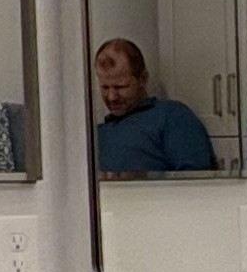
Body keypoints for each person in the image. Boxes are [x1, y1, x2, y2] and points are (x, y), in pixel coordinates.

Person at [93, 37, 217, 173]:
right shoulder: (98, 133)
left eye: (120, 87)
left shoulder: (172, 117)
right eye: (105, 87)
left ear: (143, 79)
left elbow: (196, 178)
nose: (112, 97)